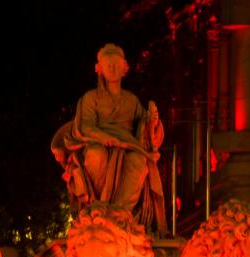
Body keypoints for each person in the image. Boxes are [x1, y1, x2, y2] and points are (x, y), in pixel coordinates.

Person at [51, 44, 166, 231]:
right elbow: (85, 126)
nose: (112, 69)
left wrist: (152, 122)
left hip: (129, 146)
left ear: (124, 68)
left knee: (138, 161)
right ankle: (97, 208)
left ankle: (120, 214)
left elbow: (145, 132)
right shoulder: (90, 98)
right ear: (100, 69)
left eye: (116, 64)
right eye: (108, 65)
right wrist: (104, 137)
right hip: (98, 144)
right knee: (97, 155)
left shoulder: (132, 101)